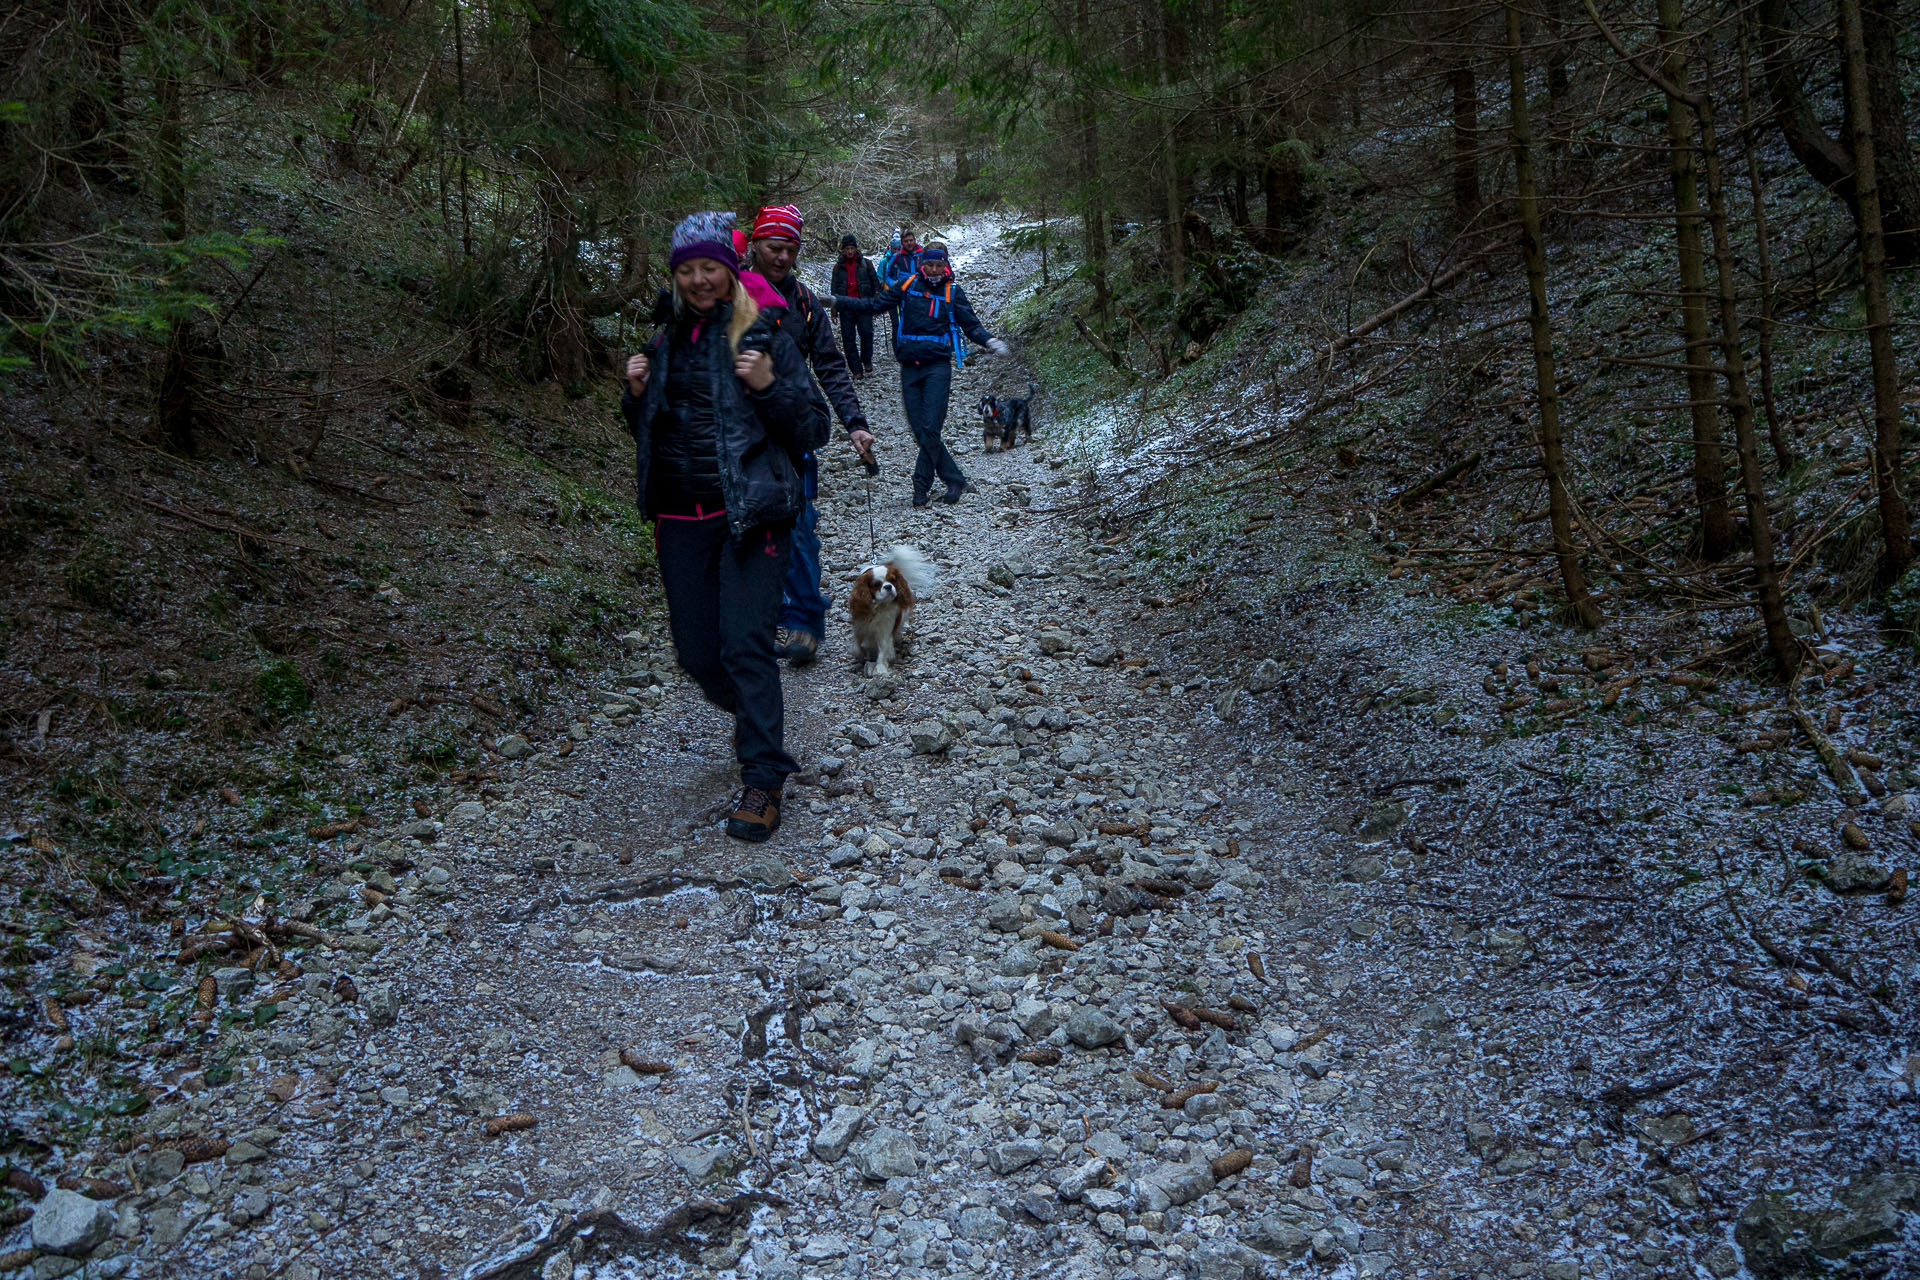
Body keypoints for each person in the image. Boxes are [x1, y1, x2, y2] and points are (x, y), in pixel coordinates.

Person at [620, 210, 827, 842]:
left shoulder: (765, 334)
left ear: (729, 269)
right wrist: (635, 398)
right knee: (697, 654)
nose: (699, 280)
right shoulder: (663, 341)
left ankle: (763, 779)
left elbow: (813, 428)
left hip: (752, 518)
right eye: (688, 269)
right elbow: (652, 436)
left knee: (745, 647)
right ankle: (755, 716)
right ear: (676, 275)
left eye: (710, 266)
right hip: (681, 519)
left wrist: (768, 387)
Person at [746, 204, 877, 668]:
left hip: (793, 429)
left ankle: (803, 621)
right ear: (755, 246)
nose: (781, 257)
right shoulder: (730, 294)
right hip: (740, 437)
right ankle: (760, 619)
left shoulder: (804, 301)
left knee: (798, 526)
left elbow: (831, 366)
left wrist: (855, 424)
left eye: (789, 249)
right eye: (773, 248)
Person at [838, 242, 1009, 507]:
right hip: (909, 367)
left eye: (938, 265)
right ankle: (954, 479)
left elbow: (971, 325)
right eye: (929, 264)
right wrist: (837, 302)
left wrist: (989, 341)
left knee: (930, 428)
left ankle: (921, 488)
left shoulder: (953, 292)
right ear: (922, 264)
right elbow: (873, 305)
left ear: (946, 265)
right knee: (920, 432)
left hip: (937, 367)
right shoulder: (907, 287)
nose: (933, 269)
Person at [832, 233, 882, 378]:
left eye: (851, 248)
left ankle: (866, 360)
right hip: (846, 306)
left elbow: (875, 285)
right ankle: (856, 369)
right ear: (843, 250)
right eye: (847, 248)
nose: (849, 251)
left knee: (866, 333)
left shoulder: (866, 264)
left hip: (863, 304)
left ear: (855, 248)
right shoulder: (837, 268)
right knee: (848, 338)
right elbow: (834, 291)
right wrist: (834, 311)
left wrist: (877, 305)